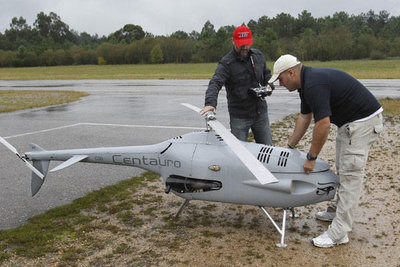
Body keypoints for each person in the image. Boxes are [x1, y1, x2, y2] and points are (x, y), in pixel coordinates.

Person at [268, 54, 383, 248]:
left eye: (280, 79)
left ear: (291, 72)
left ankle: (339, 233)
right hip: (350, 124)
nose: (280, 84)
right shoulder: (305, 85)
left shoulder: (313, 85)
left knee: (350, 176)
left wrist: (311, 158)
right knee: (343, 168)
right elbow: (305, 118)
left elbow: (322, 124)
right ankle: (337, 211)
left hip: (362, 123)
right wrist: (289, 147)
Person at [200, 25, 274, 145]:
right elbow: (215, 82)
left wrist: (269, 85)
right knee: (239, 154)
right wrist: (210, 103)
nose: (244, 47)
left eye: (247, 44)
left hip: (260, 113)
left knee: (268, 150)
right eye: (241, 44)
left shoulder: (258, 56)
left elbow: (267, 74)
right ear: (233, 41)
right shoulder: (227, 63)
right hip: (239, 117)